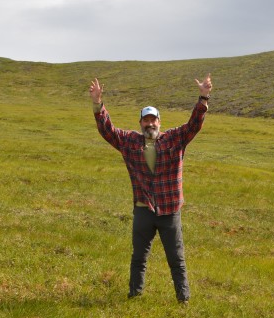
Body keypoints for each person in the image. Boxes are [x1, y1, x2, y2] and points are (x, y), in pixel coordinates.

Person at [89, 74, 212, 303]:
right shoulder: (130, 141)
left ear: (159, 122)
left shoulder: (174, 139)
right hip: (143, 210)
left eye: (153, 120)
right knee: (139, 257)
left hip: (169, 211)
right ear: (140, 123)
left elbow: (194, 125)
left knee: (176, 259)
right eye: (146, 120)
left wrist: (203, 97)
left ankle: (183, 300)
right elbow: (108, 131)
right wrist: (98, 104)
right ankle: (134, 296)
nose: (150, 124)